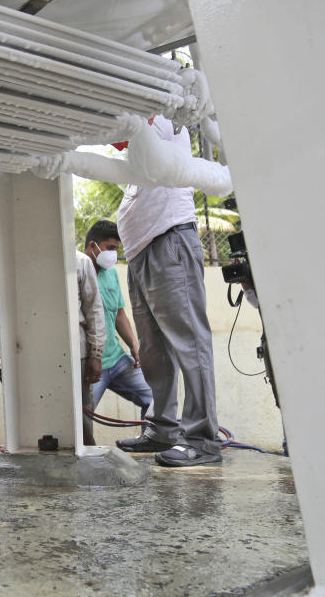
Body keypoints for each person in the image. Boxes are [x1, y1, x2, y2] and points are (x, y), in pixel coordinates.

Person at [115, 115, 221, 467]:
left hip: (170, 241)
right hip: (141, 254)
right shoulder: (138, 160)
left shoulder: (164, 123)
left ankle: (203, 440)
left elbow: (138, 119)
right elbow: (117, 135)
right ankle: (162, 429)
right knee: (154, 352)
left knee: (190, 342)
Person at [81, 220, 153, 441]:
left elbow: (119, 314)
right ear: (93, 246)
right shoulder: (76, 271)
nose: (114, 254)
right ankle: (87, 460)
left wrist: (134, 345)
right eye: (110, 248)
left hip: (117, 359)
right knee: (81, 420)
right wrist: (93, 357)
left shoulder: (110, 273)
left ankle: (150, 441)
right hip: (91, 365)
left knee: (155, 398)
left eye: (116, 249)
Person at [75, 244, 105, 447]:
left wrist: (95, 355)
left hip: (77, 351)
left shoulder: (80, 261)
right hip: (36, 352)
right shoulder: (27, 260)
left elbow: (94, 309)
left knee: (82, 418)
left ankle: (87, 466)